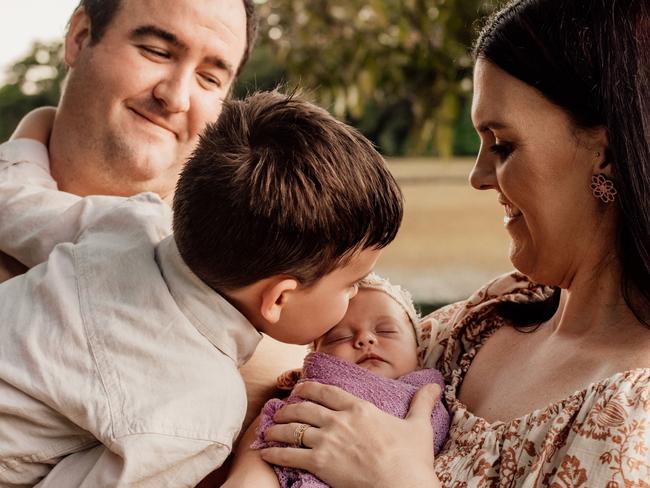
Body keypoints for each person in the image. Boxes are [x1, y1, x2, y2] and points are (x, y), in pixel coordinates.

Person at [226, 0, 650, 486]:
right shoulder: (478, 322)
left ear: (608, 153)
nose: (477, 175)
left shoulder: (631, 419)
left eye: (503, 145)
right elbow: (303, 398)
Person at [0, 90, 404, 487]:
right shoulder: (199, 409)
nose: (355, 296)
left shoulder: (134, 221)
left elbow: (12, 203)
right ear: (278, 298)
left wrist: (36, 126)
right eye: (350, 285)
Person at [0, 1, 312, 484]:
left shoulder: (295, 305)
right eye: (156, 50)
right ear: (80, 36)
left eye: (210, 78)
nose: (176, 96)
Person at [248, 274, 449, 487]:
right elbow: (266, 442)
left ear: (419, 350)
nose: (365, 339)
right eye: (339, 337)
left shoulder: (426, 394)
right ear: (315, 359)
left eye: (386, 331)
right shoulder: (306, 394)